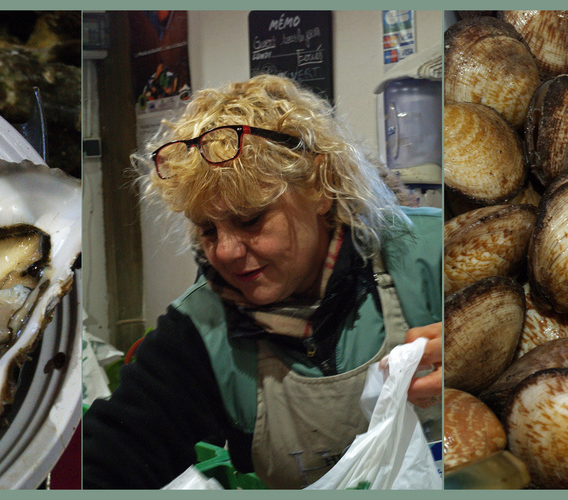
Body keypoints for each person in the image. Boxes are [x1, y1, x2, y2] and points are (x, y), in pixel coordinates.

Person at [83, 75, 443, 489]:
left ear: (318, 187)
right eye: (208, 229)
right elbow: (109, 459)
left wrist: (474, 357)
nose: (226, 252)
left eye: (250, 218)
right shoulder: (201, 330)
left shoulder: (431, 254)